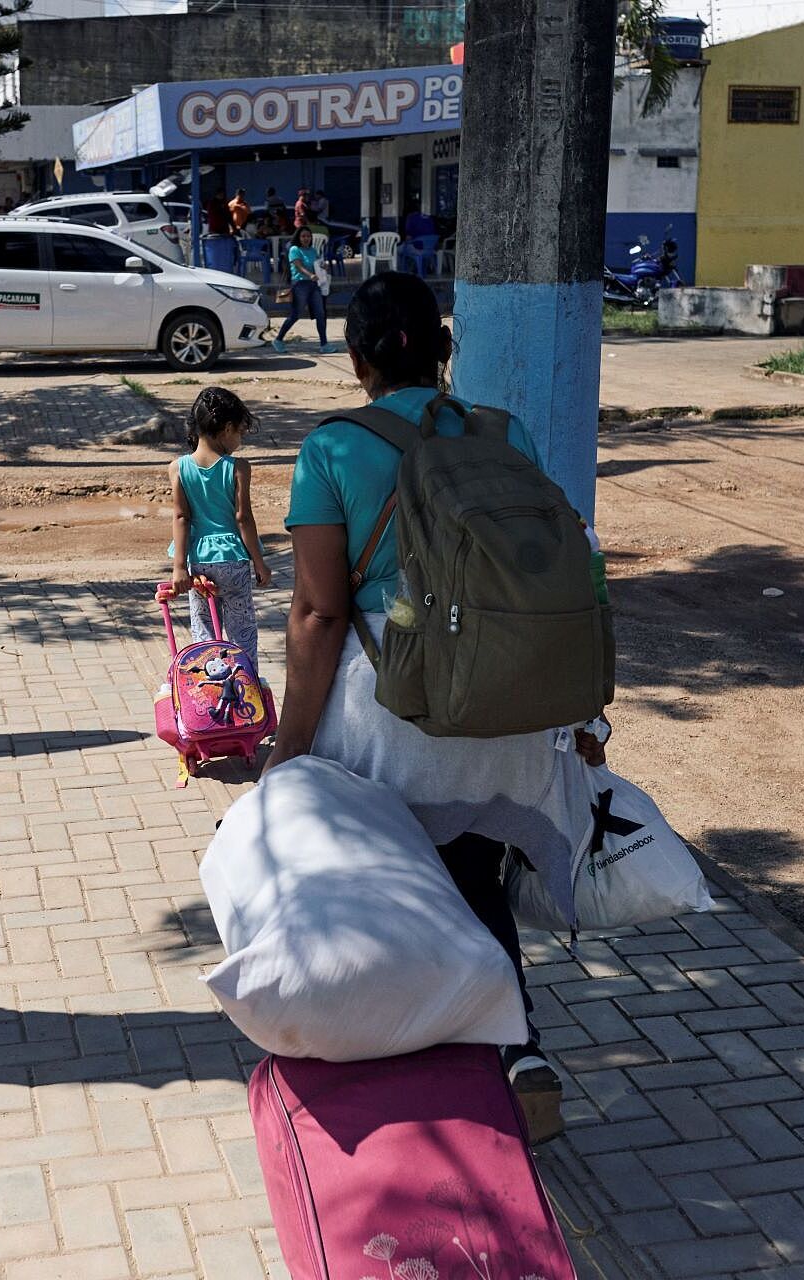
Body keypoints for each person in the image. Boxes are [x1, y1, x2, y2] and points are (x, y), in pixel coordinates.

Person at [268, 271, 609, 1146]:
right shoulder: (504, 432)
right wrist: (583, 718)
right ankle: (519, 1052)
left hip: (394, 706)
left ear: (355, 359)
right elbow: (559, 566)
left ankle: (402, 1076)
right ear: (441, 346)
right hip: (502, 705)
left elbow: (318, 613)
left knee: (379, 895)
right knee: (475, 877)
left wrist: (289, 748)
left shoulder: (331, 448)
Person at [168, 388, 272, 670]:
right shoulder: (238, 467)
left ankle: (209, 684)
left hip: (199, 562)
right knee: (242, 631)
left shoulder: (178, 468)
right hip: (233, 561)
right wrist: (260, 562)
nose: (239, 440)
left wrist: (179, 568)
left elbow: (181, 518)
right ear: (227, 429)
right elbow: (243, 519)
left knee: (204, 630)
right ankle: (244, 684)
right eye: (239, 432)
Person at [271, 226, 332, 355]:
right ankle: (278, 340)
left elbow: (317, 264)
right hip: (300, 285)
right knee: (295, 315)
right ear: (298, 237)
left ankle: (324, 344)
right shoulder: (294, 249)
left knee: (321, 314)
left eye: (308, 236)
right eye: (303, 236)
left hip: (314, 285)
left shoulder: (313, 250)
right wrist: (310, 275)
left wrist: (323, 266)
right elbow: (298, 266)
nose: (306, 238)